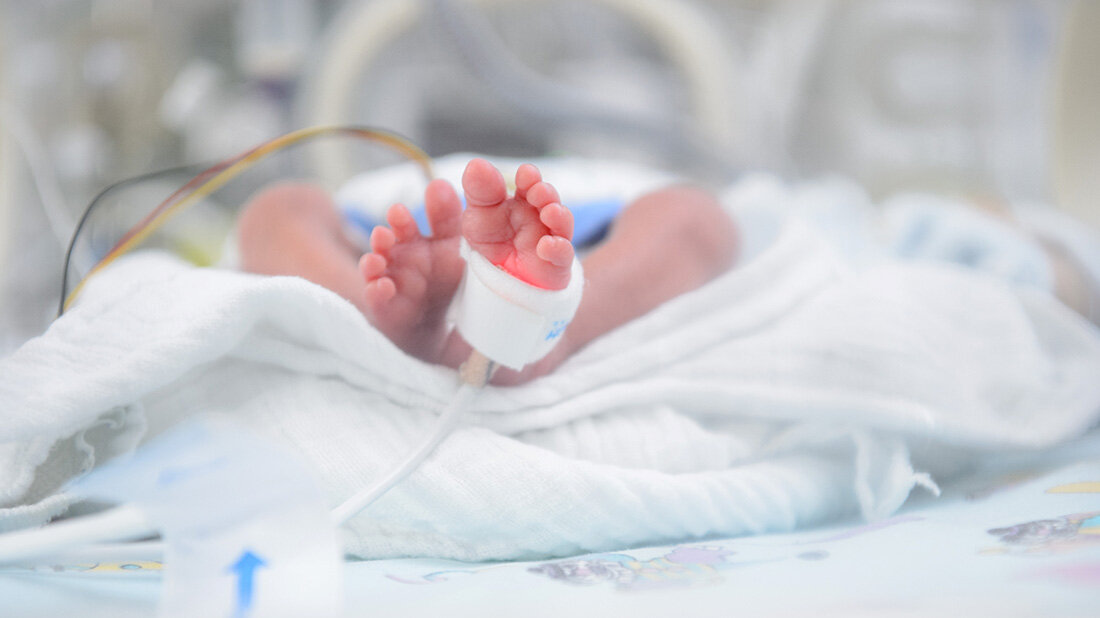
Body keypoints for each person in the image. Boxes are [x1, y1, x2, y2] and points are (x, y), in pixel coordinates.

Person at [236, 158, 739, 384]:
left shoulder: (612, 181)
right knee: (277, 207)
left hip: (576, 238)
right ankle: (380, 313)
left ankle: (548, 325)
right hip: (390, 233)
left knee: (693, 211)